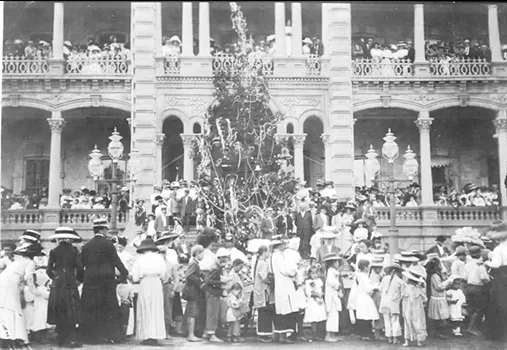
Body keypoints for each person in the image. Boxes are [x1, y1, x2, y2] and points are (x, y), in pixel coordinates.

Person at [78, 219, 128, 344]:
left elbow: (80, 265)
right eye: (105, 229)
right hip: (107, 280)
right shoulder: (108, 244)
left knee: (90, 308)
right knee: (108, 307)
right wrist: (124, 274)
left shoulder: (86, 246)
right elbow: (116, 261)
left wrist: (82, 278)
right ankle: (109, 336)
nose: (107, 232)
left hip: (90, 281)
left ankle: (90, 337)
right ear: (101, 229)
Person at [0, 241, 44, 349]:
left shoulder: (18, 261)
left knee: (7, 308)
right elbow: (28, 279)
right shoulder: (30, 263)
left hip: (3, 282)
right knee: (13, 309)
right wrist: (35, 291)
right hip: (11, 284)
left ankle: (8, 337)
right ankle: (13, 337)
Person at [46, 227, 83, 348]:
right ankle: (70, 338)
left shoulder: (54, 251)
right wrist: (78, 280)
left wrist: (55, 278)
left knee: (59, 308)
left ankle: (60, 338)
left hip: (58, 283)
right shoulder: (74, 250)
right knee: (71, 309)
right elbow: (80, 268)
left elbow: (48, 270)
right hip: (70, 282)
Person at [131, 238, 166, 346]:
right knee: (156, 308)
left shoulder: (140, 259)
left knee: (145, 307)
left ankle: (146, 335)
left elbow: (135, 277)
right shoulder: (160, 258)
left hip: (145, 282)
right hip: (156, 283)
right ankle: (156, 335)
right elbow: (163, 275)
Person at [271, 237, 299, 343]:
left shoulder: (279, 255)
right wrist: (294, 271)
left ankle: (282, 334)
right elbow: (284, 270)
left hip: (284, 284)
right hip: (282, 284)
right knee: (284, 310)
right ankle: (283, 335)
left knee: (286, 309)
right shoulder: (277, 256)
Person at [484, 220, 507, 341]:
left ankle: (498, 333)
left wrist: (487, 262)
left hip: (501, 276)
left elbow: (496, 264)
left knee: (499, 303)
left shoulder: (498, 249)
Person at [464, 245, 490, 336]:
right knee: (477, 309)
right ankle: (471, 327)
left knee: (470, 308)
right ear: (479, 255)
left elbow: (465, 277)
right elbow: (484, 278)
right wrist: (489, 279)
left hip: (469, 287)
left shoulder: (467, 265)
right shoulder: (480, 265)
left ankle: (471, 326)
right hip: (478, 288)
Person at [182, 244, 205, 342]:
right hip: (192, 291)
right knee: (192, 313)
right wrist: (199, 282)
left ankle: (190, 333)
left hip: (193, 291)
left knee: (192, 312)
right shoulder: (194, 264)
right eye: (202, 253)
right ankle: (191, 334)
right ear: (198, 253)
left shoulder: (194, 263)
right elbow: (189, 275)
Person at [252, 245, 274, 343]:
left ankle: (265, 333)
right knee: (264, 312)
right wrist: (272, 282)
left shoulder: (260, 262)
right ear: (264, 252)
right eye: (268, 251)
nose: (269, 254)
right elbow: (264, 277)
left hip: (262, 290)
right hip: (262, 291)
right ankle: (262, 334)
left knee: (264, 312)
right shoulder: (262, 263)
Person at [353, 259, 379, 341]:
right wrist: (376, 286)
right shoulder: (363, 276)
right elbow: (367, 288)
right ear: (365, 267)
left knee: (363, 315)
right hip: (364, 296)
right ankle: (365, 334)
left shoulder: (360, 275)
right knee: (366, 315)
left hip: (362, 296)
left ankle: (363, 334)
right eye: (368, 266)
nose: (369, 267)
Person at [426, 257, 452, 339]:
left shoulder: (437, 274)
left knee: (440, 316)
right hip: (437, 299)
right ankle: (437, 332)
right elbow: (438, 287)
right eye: (440, 264)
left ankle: (438, 332)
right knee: (438, 317)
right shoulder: (434, 276)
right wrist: (448, 282)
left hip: (440, 298)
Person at [401, 268, 428, 347]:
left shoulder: (409, 288)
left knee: (409, 321)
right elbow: (425, 298)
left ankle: (409, 340)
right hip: (414, 307)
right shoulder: (415, 288)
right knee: (416, 322)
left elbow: (402, 296)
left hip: (410, 307)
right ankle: (417, 341)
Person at [379, 262, 404, 344]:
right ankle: (395, 338)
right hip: (394, 304)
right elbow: (403, 294)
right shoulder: (400, 281)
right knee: (395, 320)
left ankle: (389, 337)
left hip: (385, 303)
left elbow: (380, 289)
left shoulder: (384, 279)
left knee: (387, 320)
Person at [323, 254, 344, 343]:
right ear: (331, 263)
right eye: (336, 261)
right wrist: (339, 288)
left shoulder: (333, 271)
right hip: (331, 297)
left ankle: (333, 334)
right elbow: (332, 282)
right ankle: (328, 335)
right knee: (331, 315)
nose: (338, 263)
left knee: (335, 315)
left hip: (334, 296)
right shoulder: (330, 271)